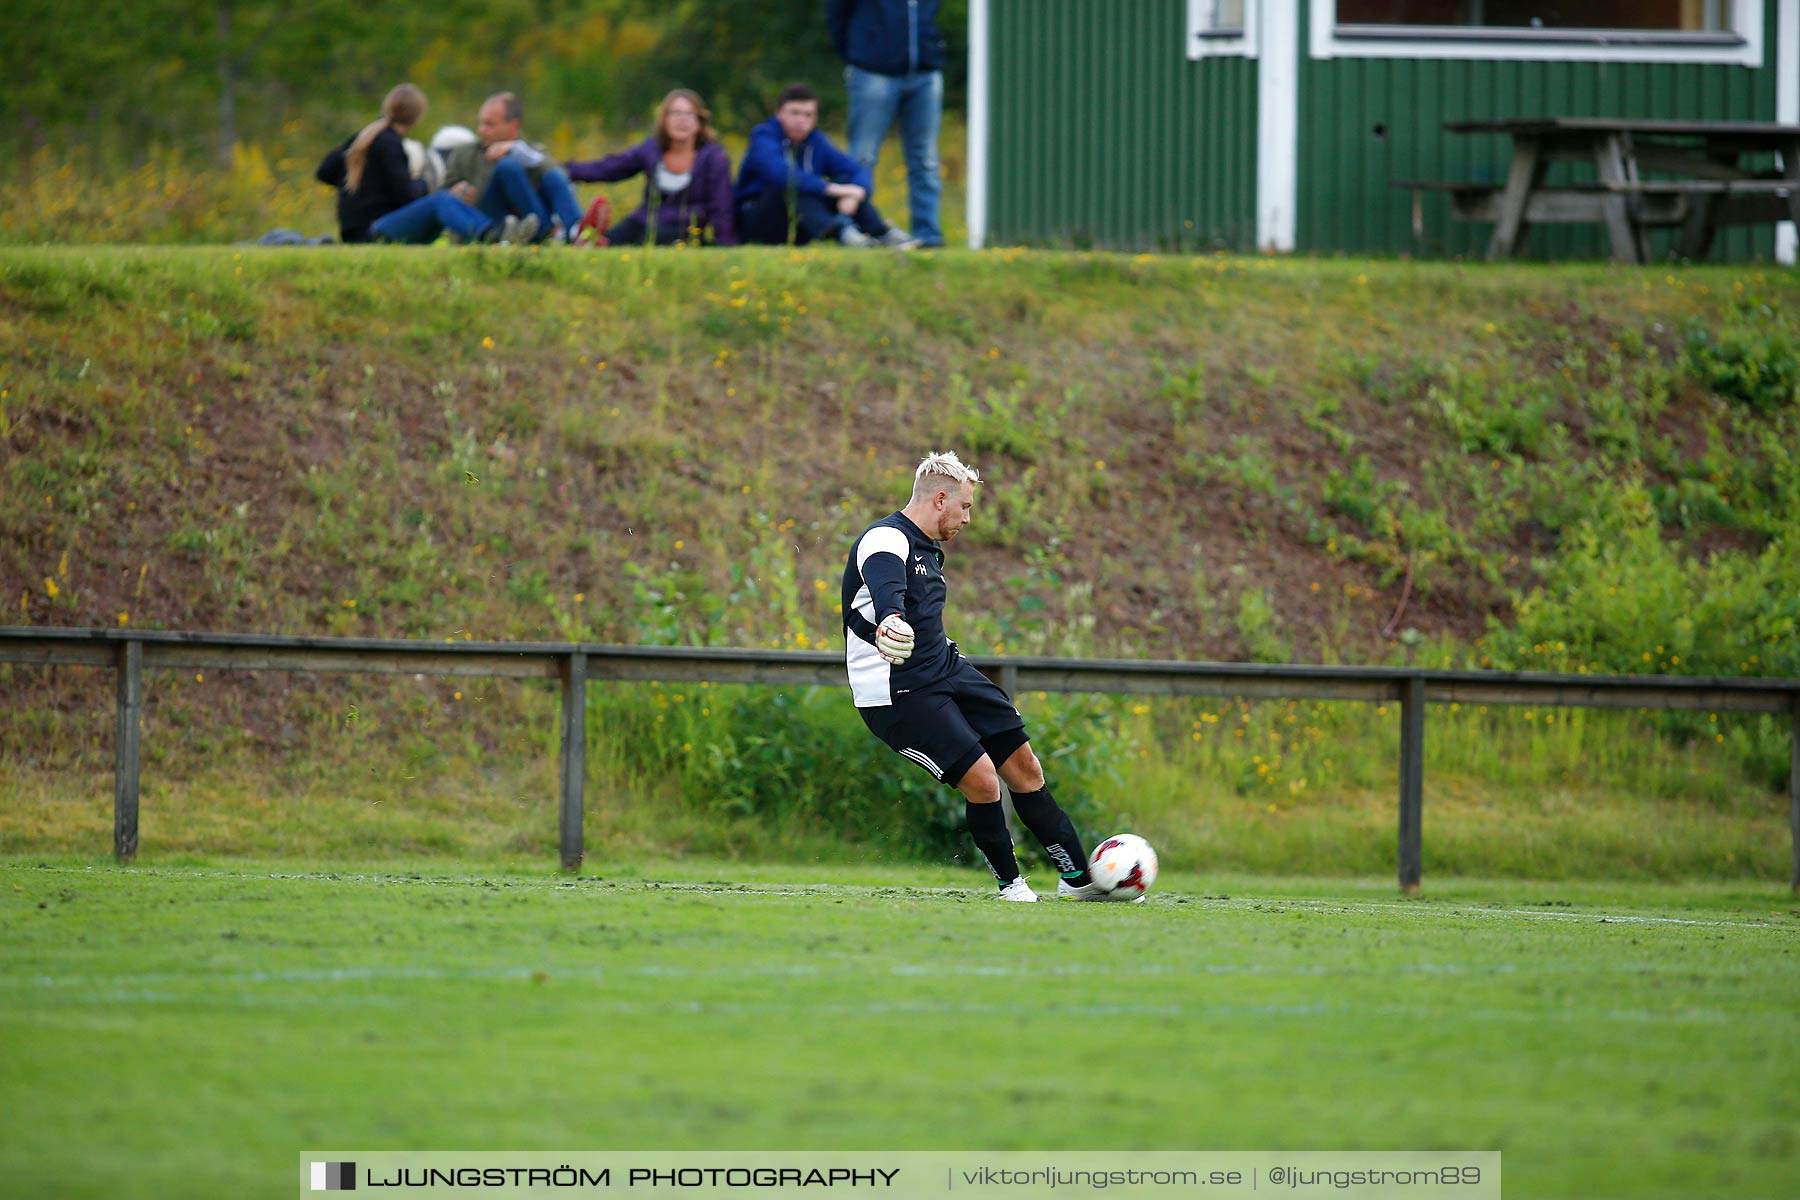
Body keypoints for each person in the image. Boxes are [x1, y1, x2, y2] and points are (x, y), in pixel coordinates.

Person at [841, 451, 1108, 901]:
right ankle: (1012, 885)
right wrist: (890, 620)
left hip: (945, 670)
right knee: (983, 779)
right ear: (940, 499)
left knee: (1024, 765)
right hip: (897, 692)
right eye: (964, 506)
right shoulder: (885, 540)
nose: (967, 518)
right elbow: (886, 592)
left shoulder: (929, 548)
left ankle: (1079, 880)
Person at [314, 84, 515, 245]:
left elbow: (324, 172)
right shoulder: (389, 144)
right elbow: (407, 195)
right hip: (372, 232)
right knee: (441, 200)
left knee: (443, 201)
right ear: (417, 117)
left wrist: (357, 192)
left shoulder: (363, 137)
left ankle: (489, 233)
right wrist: (425, 184)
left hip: (354, 232)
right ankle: (492, 234)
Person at [735, 83, 912, 248]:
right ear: (779, 113)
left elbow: (856, 170)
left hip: (800, 220)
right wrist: (835, 189)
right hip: (759, 219)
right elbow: (781, 175)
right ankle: (842, 233)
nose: (801, 120)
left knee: (844, 180)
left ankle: (880, 232)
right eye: (795, 113)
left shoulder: (816, 140)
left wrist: (856, 193)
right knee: (795, 186)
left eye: (808, 114)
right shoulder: (763, 136)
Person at [828, 0, 945, 248]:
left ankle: (928, 234)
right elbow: (837, 14)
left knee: (925, 159)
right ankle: (852, 230)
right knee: (863, 156)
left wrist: (931, 47)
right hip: (873, 71)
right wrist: (860, 52)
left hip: (924, 72)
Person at [564, 89, 738, 247]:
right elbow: (611, 167)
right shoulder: (650, 150)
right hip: (643, 221)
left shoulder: (714, 158)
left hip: (684, 228)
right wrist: (566, 171)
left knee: (661, 238)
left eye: (689, 114)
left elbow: (721, 205)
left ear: (699, 123)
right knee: (608, 243)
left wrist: (724, 243)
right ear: (664, 120)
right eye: (675, 113)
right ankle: (582, 236)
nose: (682, 120)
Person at [442, 92, 582, 243]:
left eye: (490, 124)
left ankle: (578, 231)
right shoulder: (465, 153)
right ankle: (548, 232)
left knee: (551, 174)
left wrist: (517, 150)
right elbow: (441, 196)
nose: (481, 130)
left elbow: (560, 176)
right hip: (486, 220)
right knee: (507, 166)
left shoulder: (531, 151)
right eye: (481, 123)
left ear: (514, 126)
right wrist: (455, 193)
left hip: (527, 219)